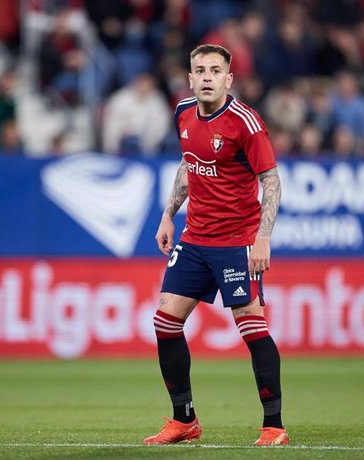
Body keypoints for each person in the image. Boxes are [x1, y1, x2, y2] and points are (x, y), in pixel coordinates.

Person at [143, 44, 288, 447]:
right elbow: (189, 164)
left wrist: (262, 238)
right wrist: (169, 213)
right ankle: (184, 420)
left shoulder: (246, 123)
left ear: (228, 78)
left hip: (236, 240)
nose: (207, 77)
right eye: (200, 70)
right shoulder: (183, 113)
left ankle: (274, 426)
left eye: (215, 71)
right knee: (165, 321)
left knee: (250, 324)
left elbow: (271, 181)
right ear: (190, 78)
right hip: (194, 238)